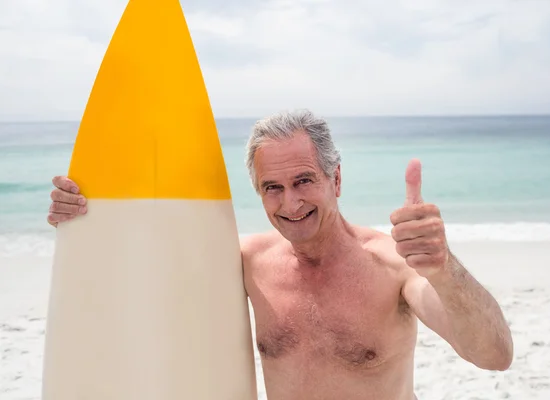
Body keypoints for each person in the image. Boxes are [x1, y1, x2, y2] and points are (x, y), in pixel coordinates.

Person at [46, 109, 513, 400]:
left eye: (304, 180)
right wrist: (85, 218)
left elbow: (493, 356)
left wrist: (444, 267)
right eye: (272, 188)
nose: (290, 203)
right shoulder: (247, 262)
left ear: (336, 180)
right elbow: (146, 268)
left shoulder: (393, 266)